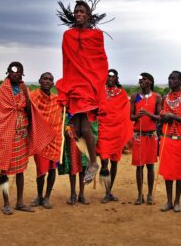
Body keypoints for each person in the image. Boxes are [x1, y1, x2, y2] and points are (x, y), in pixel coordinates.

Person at [56, 0, 109, 184]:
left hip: (89, 84)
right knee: (77, 128)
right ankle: (89, 161)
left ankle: (94, 162)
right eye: (76, 11)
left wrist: (97, 85)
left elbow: (100, 61)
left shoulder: (96, 35)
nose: (78, 14)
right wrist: (68, 85)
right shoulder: (67, 35)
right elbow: (66, 61)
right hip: (73, 83)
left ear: (88, 15)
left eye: (82, 11)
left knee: (85, 127)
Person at [0, 62, 55, 215]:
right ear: (8, 72)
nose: (15, 74)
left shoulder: (23, 89)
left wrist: (25, 96)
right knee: (4, 171)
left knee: (20, 170)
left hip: (21, 135)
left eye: (18, 72)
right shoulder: (1, 90)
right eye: (12, 72)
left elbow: (28, 109)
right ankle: (6, 203)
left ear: (22, 74)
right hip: (6, 134)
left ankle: (20, 202)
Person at [96, 69, 133, 203]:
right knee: (104, 162)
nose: (110, 79)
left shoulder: (122, 93)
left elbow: (126, 110)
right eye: (108, 76)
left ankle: (108, 192)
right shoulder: (100, 91)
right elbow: (96, 107)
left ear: (117, 79)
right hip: (104, 130)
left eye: (113, 77)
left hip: (117, 132)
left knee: (114, 162)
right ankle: (106, 188)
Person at [159, 71, 181, 212]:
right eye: (169, 78)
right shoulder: (165, 98)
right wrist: (163, 116)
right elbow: (161, 116)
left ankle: (177, 201)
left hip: (180, 140)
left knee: (179, 172)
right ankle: (169, 201)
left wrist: (173, 116)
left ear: (180, 81)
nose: (170, 81)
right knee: (167, 172)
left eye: (173, 78)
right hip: (166, 140)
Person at [29, 72, 63, 209]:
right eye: (45, 79)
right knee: (41, 170)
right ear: (40, 81)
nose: (47, 81)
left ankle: (47, 197)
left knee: (52, 169)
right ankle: (39, 196)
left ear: (53, 83)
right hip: (40, 139)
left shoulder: (57, 100)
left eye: (50, 80)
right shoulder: (33, 97)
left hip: (55, 139)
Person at [130, 72, 161, 205]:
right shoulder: (135, 97)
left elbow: (160, 117)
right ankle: (139, 195)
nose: (142, 81)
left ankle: (149, 195)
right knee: (139, 166)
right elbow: (131, 116)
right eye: (141, 79)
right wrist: (137, 116)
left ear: (150, 82)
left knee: (150, 166)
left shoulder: (157, 97)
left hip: (151, 136)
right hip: (138, 136)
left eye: (145, 79)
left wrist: (148, 114)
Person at [59, 116, 98, 205]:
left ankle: (81, 194)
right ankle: (73, 194)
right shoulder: (70, 103)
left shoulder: (87, 106)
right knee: (73, 164)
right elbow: (64, 115)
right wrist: (67, 127)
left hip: (84, 138)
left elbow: (93, 121)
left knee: (83, 165)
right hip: (72, 135)